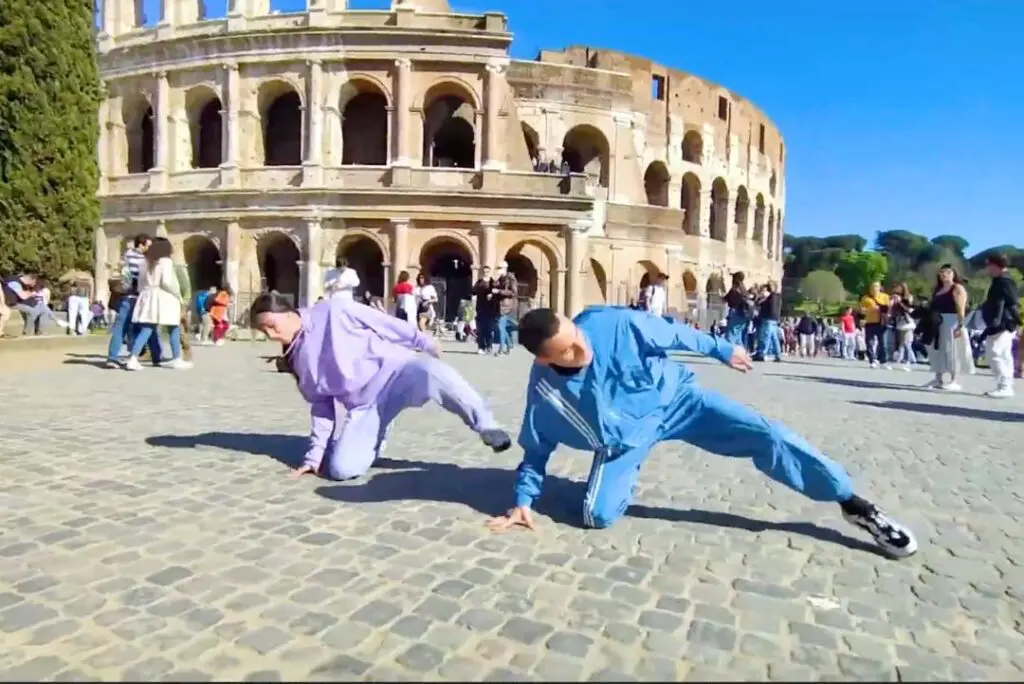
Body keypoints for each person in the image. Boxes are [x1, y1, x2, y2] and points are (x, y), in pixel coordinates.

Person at [487, 307, 918, 559]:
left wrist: (723, 349)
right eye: (568, 351)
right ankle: (619, 472)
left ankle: (852, 501)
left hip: (679, 403)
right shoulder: (545, 392)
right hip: (626, 439)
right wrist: (523, 502)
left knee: (765, 433)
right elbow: (536, 450)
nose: (583, 348)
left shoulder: (613, 323)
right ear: (545, 361)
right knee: (596, 517)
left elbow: (675, 333)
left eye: (577, 336)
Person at [248, 292, 512, 481]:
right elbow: (321, 406)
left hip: (397, 373)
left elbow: (382, 323)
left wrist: (422, 341)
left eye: (271, 326)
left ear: (287, 312)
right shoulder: (296, 359)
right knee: (341, 470)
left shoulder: (333, 310)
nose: (271, 335)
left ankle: (486, 424)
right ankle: (377, 435)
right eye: (264, 331)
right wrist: (314, 457)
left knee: (433, 373)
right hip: (365, 407)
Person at [125, 237, 191, 370]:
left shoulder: (144, 262)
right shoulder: (165, 262)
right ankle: (176, 358)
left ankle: (132, 358)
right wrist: (178, 295)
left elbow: (140, 285)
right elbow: (167, 282)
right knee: (173, 327)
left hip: (147, 295)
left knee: (147, 328)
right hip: (164, 297)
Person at [107, 234, 159, 367]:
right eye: (148, 245)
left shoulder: (127, 255)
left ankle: (114, 357)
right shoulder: (142, 259)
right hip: (135, 296)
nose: (149, 248)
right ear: (141, 245)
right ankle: (147, 356)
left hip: (125, 296)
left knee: (122, 327)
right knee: (142, 326)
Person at [979, 253, 1020, 398]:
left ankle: (1004, 385)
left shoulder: (1004, 281)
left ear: (996, 266)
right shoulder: (1001, 281)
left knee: (994, 353)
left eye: (989, 265)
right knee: (1003, 354)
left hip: (1002, 323)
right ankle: (1006, 384)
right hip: (1004, 322)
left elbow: (1011, 301)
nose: (987, 268)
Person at [926, 264, 973, 391]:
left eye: (948, 272)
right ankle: (938, 377)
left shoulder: (957, 288)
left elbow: (961, 307)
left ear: (954, 274)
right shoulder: (937, 289)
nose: (944, 274)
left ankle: (954, 379)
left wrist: (960, 324)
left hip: (952, 320)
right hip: (937, 321)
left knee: (953, 349)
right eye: (942, 272)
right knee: (937, 349)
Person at [859, 282, 891, 369]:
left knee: (883, 343)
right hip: (869, 322)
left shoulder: (885, 297)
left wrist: (882, 309)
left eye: (876, 286)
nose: (874, 288)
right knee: (869, 342)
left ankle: (883, 361)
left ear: (880, 287)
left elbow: (888, 309)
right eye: (872, 287)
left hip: (881, 322)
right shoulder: (865, 298)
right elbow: (862, 310)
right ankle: (872, 360)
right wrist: (871, 309)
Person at [473, 266, 497, 354]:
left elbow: (497, 294)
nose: (485, 273)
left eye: (487, 272)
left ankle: (489, 346)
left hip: (490, 309)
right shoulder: (479, 282)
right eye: (484, 272)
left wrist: (492, 294)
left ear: (490, 272)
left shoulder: (493, 282)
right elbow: (473, 291)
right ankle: (481, 347)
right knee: (480, 329)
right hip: (480, 308)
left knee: (489, 329)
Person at [722, 272, 749, 346]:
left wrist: (722, 296)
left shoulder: (735, 287)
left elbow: (728, 299)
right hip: (743, 314)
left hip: (735, 312)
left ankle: (729, 352)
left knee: (730, 333)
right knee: (738, 336)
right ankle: (741, 353)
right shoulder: (744, 288)